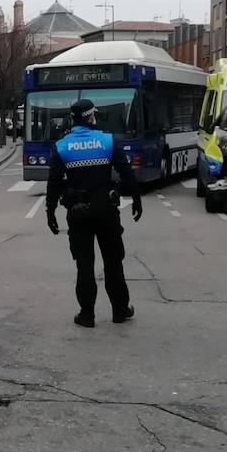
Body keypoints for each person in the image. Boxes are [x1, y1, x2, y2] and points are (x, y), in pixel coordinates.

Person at [45, 98, 142, 328]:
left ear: (72, 118)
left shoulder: (62, 146)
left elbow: (54, 183)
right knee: (113, 261)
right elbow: (126, 172)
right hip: (106, 209)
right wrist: (136, 199)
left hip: (78, 212)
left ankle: (87, 314)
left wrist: (50, 212)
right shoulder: (107, 140)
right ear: (91, 117)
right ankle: (120, 310)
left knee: (85, 265)